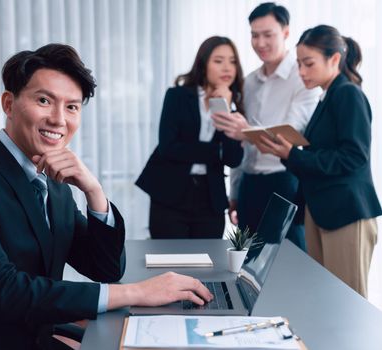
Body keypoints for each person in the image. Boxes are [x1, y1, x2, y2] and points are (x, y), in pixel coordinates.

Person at [0, 44, 213, 350]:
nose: (59, 119)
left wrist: (94, 191)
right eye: (44, 100)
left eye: (72, 107)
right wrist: (136, 293)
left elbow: (105, 268)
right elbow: (2, 291)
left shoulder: (53, 181)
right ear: (8, 104)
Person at [254, 25, 381, 298]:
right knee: (327, 299)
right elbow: (320, 156)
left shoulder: (347, 94)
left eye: (308, 64)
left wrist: (293, 154)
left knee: (347, 302)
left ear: (334, 59)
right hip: (323, 210)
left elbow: (353, 157)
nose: (301, 72)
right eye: (299, 64)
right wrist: (286, 153)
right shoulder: (328, 96)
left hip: (345, 213)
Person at [211, 2, 320, 250]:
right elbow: (240, 141)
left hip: (284, 182)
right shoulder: (249, 82)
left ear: (285, 33)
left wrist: (245, 131)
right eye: (254, 35)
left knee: (289, 265)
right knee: (248, 263)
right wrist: (235, 193)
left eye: (267, 35)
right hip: (249, 184)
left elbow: (291, 133)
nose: (260, 43)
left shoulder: (301, 78)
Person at [136, 36, 244, 239]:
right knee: (169, 260)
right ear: (203, 65)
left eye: (232, 61)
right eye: (219, 61)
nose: (227, 68)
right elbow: (169, 147)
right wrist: (215, 152)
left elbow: (233, 158)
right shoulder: (177, 96)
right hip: (170, 191)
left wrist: (225, 109)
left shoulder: (234, 103)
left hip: (209, 196)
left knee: (207, 263)